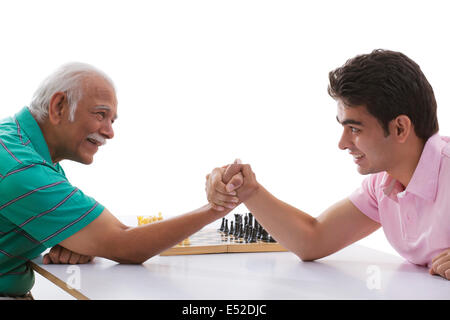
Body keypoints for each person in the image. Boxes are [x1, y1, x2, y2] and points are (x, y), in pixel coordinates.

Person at [206, 49, 450, 281]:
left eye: (355, 129)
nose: (342, 143)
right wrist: (248, 190)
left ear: (400, 128)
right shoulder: (383, 186)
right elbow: (313, 239)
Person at [0, 63, 238, 298]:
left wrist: (85, 240)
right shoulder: (23, 169)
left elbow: (104, 237)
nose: (109, 132)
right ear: (59, 106)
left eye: (112, 120)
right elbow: (124, 244)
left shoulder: (16, 144)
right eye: (100, 115)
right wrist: (218, 205)